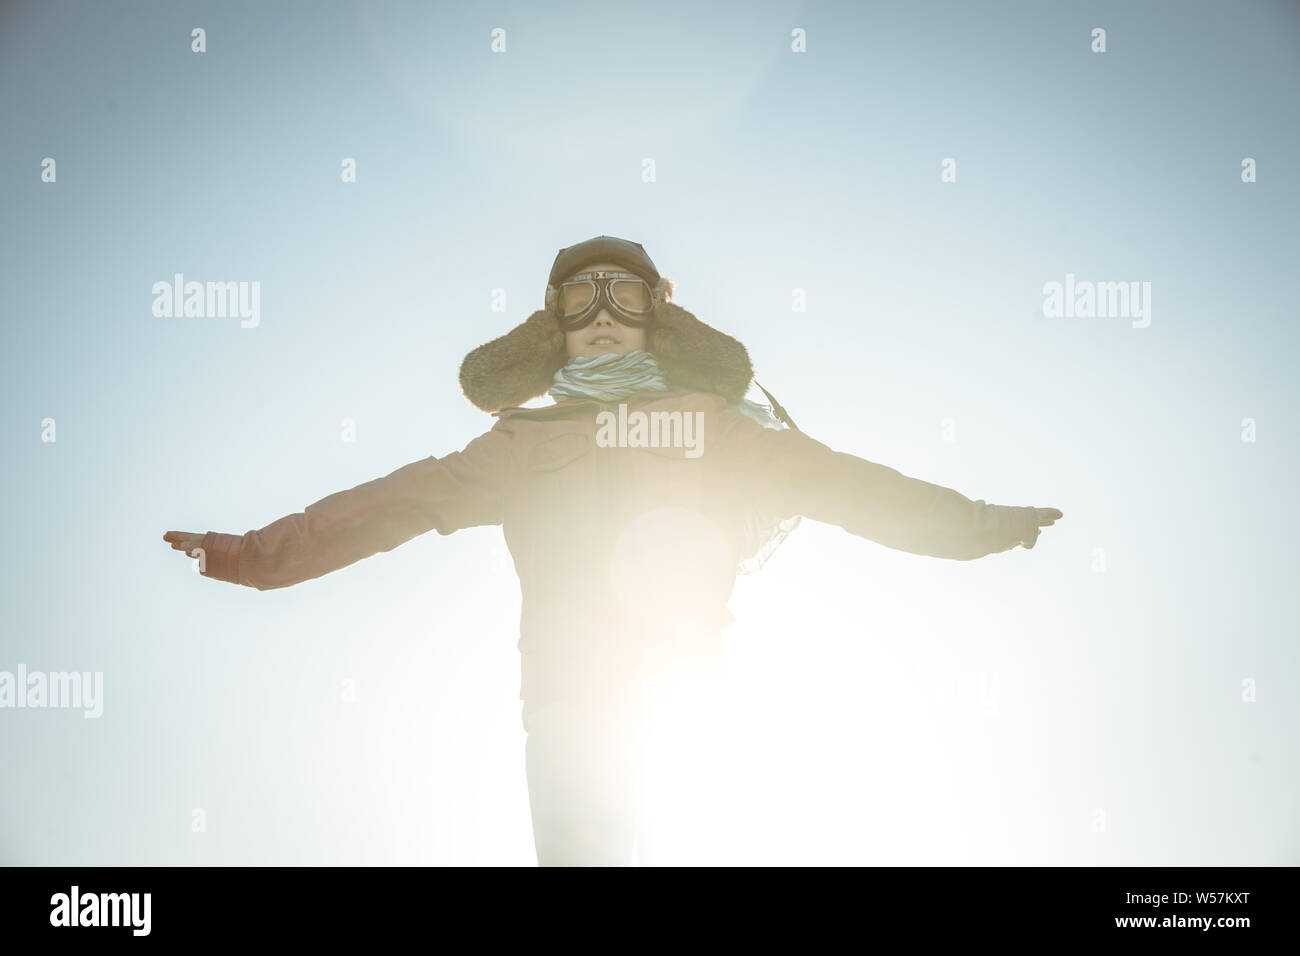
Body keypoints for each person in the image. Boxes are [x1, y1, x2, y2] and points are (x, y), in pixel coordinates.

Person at [164, 234, 1063, 866]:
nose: (601, 314)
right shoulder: (519, 444)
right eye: (579, 298)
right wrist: (244, 555)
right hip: (564, 698)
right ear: (552, 324)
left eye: (624, 297)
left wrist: (982, 524)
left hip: (683, 694)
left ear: (656, 319)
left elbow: (852, 488)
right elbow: (383, 508)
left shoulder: (713, 428)